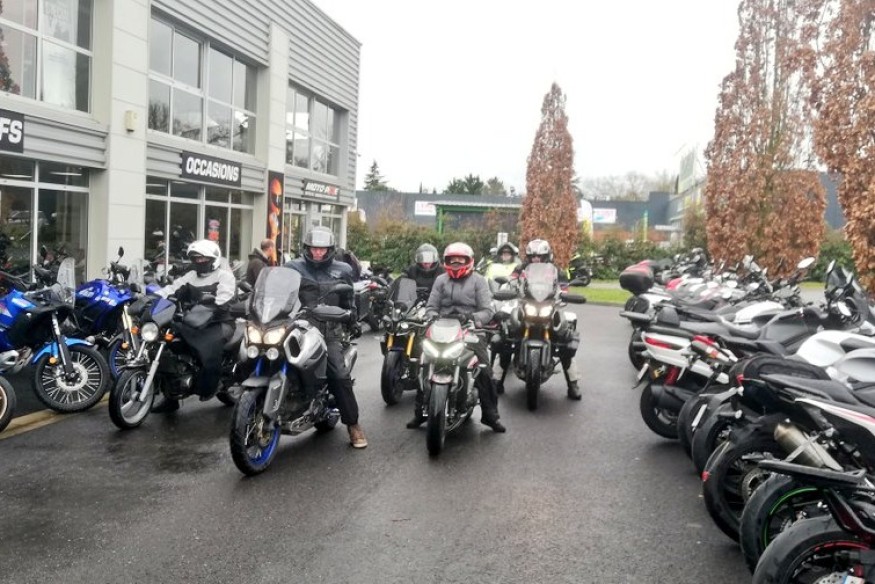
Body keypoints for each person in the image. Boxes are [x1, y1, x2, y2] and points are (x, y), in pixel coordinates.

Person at [407, 242, 506, 433]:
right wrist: (431, 317)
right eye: (452, 260)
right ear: (446, 261)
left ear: (469, 261)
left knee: (484, 370)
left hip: (470, 329)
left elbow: (487, 310)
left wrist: (471, 318)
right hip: (441, 328)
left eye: (460, 260)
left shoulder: (479, 281)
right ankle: (419, 412)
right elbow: (431, 307)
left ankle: (491, 415)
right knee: (423, 361)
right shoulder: (441, 280)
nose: (456, 264)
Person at [285, 227, 368, 449]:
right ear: (306, 248)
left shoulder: (342, 270)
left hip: (328, 329)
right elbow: (280, 293)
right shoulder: (292, 267)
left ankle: (353, 425)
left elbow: (349, 300)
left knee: (339, 375)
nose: (318, 253)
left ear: (330, 249)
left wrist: (352, 319)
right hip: (297, 326)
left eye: (322, 249)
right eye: (314, 248)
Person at [152, 239, 237, 413]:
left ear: (213, 259)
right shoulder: (191, 276)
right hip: (191, 321)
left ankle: (209, 385)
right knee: (167, 346)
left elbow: (223, 300)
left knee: (208, 348)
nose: (199, 262)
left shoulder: (224, 276)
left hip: (218, 322)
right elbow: (172, 289)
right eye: (196, 259)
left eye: (202, 258)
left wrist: (210, 306)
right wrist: (152, 296)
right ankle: (170, 396)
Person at [502, 238, 582, 400]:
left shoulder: (556, 270)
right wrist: (508, 286)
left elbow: (564, 287)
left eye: (539, 256)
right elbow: (511, 280)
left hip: (549, 306)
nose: (536, 259)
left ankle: (573, 384)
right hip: (526, 305)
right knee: (505, 338)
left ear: (547, 256)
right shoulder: (521, 268)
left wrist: (564, 294)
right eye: (532, 256)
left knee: (566, 341)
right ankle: (496, 380)